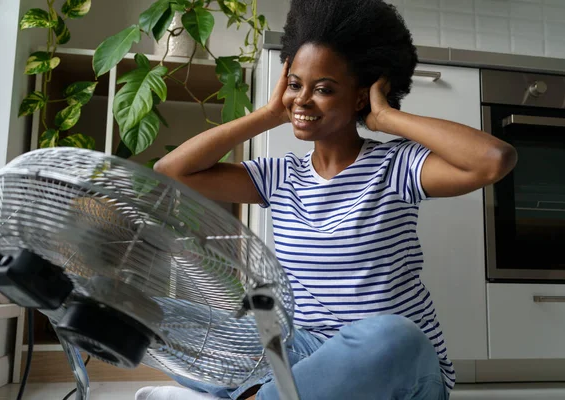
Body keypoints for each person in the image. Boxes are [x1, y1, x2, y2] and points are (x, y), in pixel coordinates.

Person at [147, 0, 517, 399]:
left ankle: (260, 394)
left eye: (323, 89)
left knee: (394, 334)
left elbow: (493, 161)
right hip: (306, 352)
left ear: (360, 97)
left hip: (393, 365)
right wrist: (271, 113)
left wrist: (387, 118)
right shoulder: (279, 176)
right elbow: (172, 171)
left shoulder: (396, 166)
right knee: (152, 315)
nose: (303, 100)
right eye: (295, 85)